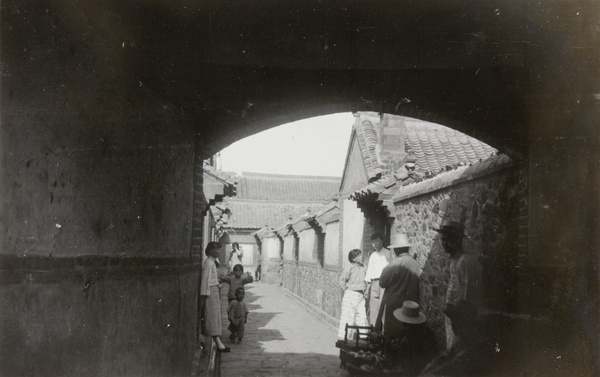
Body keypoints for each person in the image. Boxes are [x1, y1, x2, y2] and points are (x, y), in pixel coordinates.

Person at [421, 220, 484, 375]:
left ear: (457, 241)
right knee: (451, 353)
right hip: (453, 318)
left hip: (461, 320)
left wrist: (459, 319)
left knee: (458, 358)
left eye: (448, 240)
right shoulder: (454, 261)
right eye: (443, 240)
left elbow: (467, 296)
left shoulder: (465, 262)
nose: (444, 244)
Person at [375, 233, 421, 336]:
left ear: (396, 250)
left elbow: (382, 282)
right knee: (407, 333)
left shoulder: (394, 265)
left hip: (394, 304)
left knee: (392, 332)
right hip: (410, 305)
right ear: (407, 249)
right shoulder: (416, 264)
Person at [386, 301, 438, 376]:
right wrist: (396, 342)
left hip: (421, 367)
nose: (402, 324)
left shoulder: (422, 332)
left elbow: (419, 352)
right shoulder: (410, 328)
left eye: (404, 322)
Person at [200, 241, 230, 353]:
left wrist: (217, 283)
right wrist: (204, 294)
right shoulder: (209, 263)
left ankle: (218, 342)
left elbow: (212, 278)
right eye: (218, 249)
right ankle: (218, 343)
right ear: (212, 250)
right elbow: (205, 280)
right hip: (209, 292)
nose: (219, 251)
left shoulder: (212, 262)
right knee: (212, 316)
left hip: (214, 291)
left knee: (215, 316)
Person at [337, 249, 369, 340]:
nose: (361, 256)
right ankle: (343, 339)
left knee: (362, 317)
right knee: (347, 318)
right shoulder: (349, 268)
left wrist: (366, 290)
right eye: (358, 255)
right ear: (353, 259)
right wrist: (346, 290)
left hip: (361, 296)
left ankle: (364, 338)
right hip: (351, 294)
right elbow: (342, 281)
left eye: (361, 254)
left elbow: (367, 280)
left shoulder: (364, 267)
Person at [364, 233, 392, 325]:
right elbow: (369, 272)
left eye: (376, 241)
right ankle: (373, 330)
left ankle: (384, 331)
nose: (374, 244)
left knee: (383, 308)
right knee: (373, 307)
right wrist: (368, 288)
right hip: (374, 284)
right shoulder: (372, 255)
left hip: (384, 284)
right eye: (373, 242)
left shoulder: (388, 254)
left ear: (382, 241)